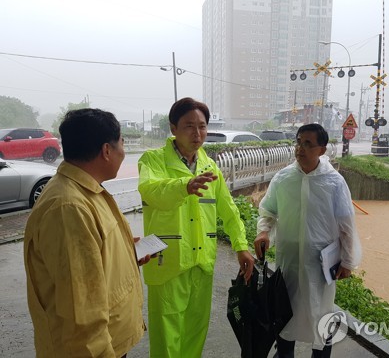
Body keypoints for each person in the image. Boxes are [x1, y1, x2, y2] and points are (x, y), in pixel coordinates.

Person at [24, 108, 147, 357]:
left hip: (111, 338)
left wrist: (125, 252)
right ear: (106, 150)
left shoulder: (85, 190)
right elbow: (81, 312)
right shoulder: (68, 208)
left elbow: (90, 260)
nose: (123, 150)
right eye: (122, 142)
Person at [138, 97, 254, 357]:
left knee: (194, 333)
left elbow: (228, 209)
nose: (197, 133)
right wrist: (184, 187)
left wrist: (241, 246)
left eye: (202, 126)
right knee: (167, 338)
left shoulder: (210, 166)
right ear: (173, 128)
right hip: (168, 263)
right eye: (189, 125)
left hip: (201, 262)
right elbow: (150, 190)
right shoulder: (153, 160)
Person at [254, 123, 362, 358]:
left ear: (321, 150)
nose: (300, 148)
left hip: (321, 264)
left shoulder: (334, 182)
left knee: (322, 317)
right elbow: (268, 210)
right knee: (285, 316)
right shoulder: (283, 178)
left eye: (308, 144)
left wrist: (347, 261)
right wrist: (264, 232)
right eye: (298, 142)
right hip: (289, 262)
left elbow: (346, 225)